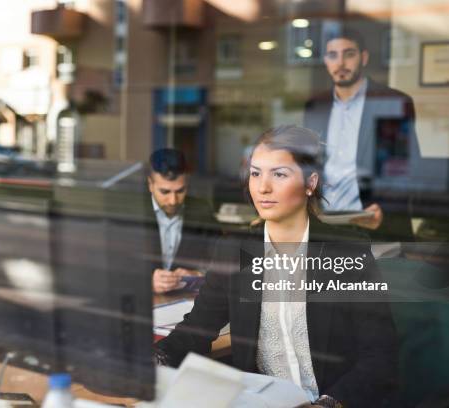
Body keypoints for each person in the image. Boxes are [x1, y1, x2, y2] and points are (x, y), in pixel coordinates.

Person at [155, 126, 397, 407]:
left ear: (310, 184)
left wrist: (328, 404)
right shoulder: (235, 251)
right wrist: (151, 361)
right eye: (256, 173)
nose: (262, 187)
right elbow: (195, 331)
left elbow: (381, 358)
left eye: (279, 174)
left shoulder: (346, 252)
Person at [304, 28, 419, 241]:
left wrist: (384, 210)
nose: (340, 63)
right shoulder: (315, 106)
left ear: (363, 57)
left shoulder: (391, 102)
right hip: (325, 228)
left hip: (375, 226)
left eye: (349, 54)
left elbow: (401, 167)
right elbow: (309, 165)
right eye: (332, 55)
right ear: (325, 61)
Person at [147, 148, 216, 293]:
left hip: (185, 300)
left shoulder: (201, 210)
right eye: (165, 192)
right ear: (150, 185)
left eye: (180, 191)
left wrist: (199, 275)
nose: (173, 201)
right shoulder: (133, 210)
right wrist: (145, 281)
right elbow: (113, 264)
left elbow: (222, 260)